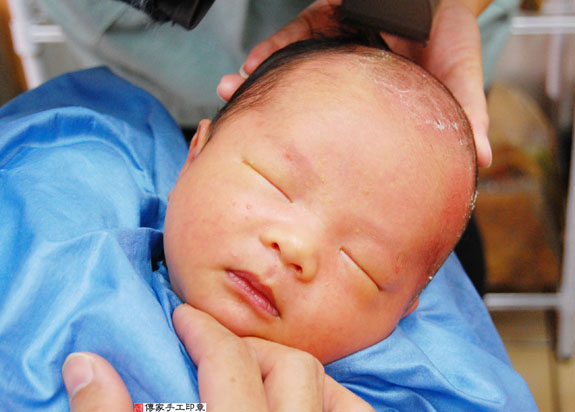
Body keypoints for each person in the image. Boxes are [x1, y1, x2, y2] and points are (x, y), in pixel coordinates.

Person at [0, 37, 536, 411]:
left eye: (362, 265)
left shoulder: (420, 389)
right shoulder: (60, 208)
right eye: (273, 183)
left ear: (402, 313)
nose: (296, 247)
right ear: (195, 153)